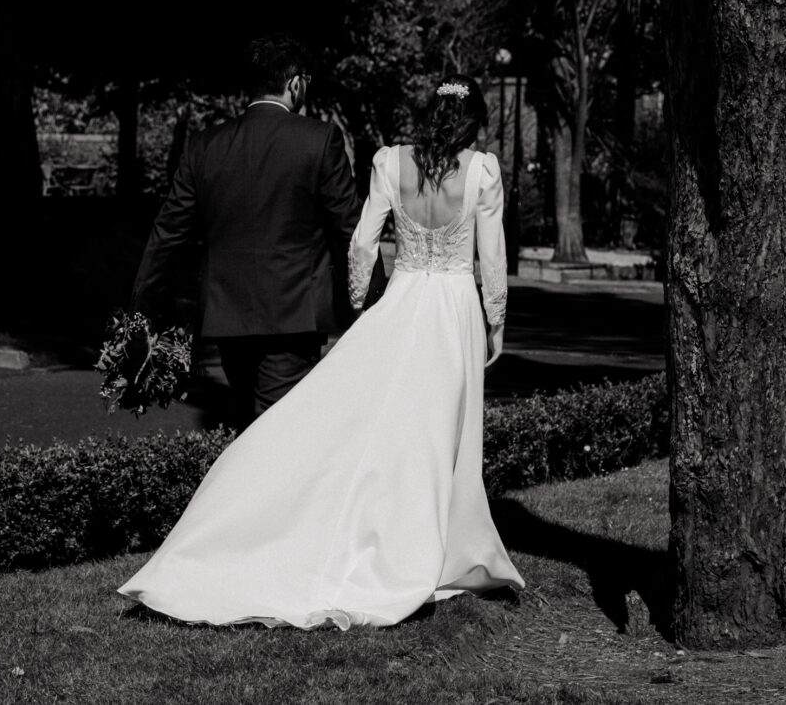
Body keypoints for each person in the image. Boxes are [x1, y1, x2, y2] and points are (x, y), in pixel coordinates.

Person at [118, 73, 523, 629]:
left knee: (383, 427)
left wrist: (361, 304)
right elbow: (492, 256)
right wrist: (495, 318)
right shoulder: (482, 170)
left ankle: (379, 533)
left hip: (400, 302)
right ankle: (427, 549)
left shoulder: (389, 161)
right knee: (437, 433)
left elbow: (362, 240)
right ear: (474, 120)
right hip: (453, 311)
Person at [130, 34, 363, 431]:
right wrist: (370, 305)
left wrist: (140, 309)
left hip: (227, 315)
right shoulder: (319, 140)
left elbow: (168, 234)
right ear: (294, 83)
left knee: (246, 425)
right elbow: (349, 232)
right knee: (282, 433)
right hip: (294, 315)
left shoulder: (205, 145)